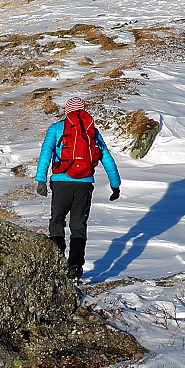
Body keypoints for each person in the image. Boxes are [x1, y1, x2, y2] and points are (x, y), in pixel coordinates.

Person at [34, 96, 121, 279]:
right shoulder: (92, 132)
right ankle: (75, 267)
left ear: (66, 111)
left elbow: (46, 153)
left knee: (57, 221)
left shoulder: (57, 128)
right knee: (78, 226)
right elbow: (107, 159)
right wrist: (115, 185)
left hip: (61, 182)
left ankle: (56, 262)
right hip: (85, 184)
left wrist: (41, 179)